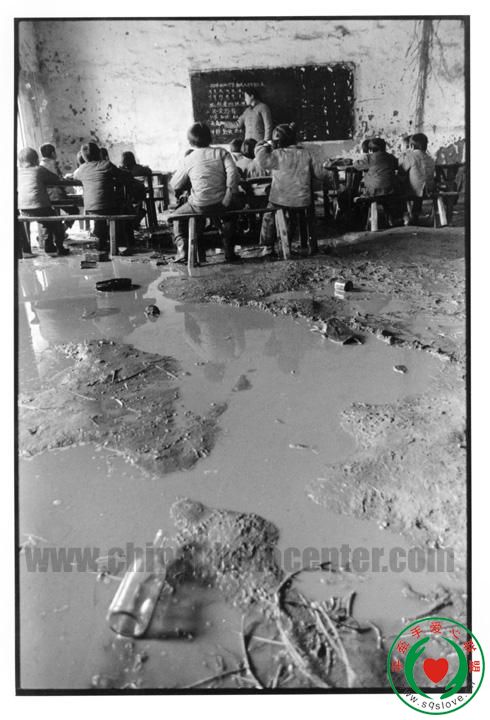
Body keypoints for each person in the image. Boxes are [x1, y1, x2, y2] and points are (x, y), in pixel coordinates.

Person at [170, 122, 242, 263]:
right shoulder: (222, 152)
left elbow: (175, 184)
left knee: (175, 217)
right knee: (231, 216)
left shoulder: (188, 159)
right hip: (223, 202)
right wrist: (228, 194)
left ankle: (183, 251)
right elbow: (234, 174)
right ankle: (229, 252)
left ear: (190, 140)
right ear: (210, 137)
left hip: (199, 205)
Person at [254, 123, 325, 252]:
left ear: (277, 141)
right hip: (302, 200)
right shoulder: (307, 153)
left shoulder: (277, 154)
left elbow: (261, 161)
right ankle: (289, 243)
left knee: (269, 214)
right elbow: (320, 174)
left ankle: (268, 246)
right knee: (292, 216)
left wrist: (262, 146)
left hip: (280, 200)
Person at [73, 142, 135, 251]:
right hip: (108, 206)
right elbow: (123, 175)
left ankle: (101, 241)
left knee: (101, 218)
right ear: (98, 153)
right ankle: (122, 243)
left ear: (83, 156)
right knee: (123, 209)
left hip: (90, 207)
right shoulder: (106, 165)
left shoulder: (81, 169)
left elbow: (74, 176)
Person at [17, 147, 70, 255]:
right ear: (36, 159)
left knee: (46, 220)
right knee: (55, 220)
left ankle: (31, 249)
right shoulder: (39, 170)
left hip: (23, 208)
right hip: (39, 207)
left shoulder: (18, 173)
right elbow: (55, 179)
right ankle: (58, 247)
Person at [39, 143, 79, 227]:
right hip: (56, 196)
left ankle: (59, 230)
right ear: (53, 153)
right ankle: (63, 229)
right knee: (75, 211)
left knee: (56, 213)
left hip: (45, 196)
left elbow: (54, 178)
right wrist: (67, 181)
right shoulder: (53, 163)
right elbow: (59, 181)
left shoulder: (40, 165)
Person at [399, 132, 435, 223]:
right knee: (420, 185)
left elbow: (401, 171)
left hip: (415, 190)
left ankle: (405, 215)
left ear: (411, 146)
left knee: (400, 188)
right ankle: (415, 214)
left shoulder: (410, 156)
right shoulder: (430, 158)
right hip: (430, 189)